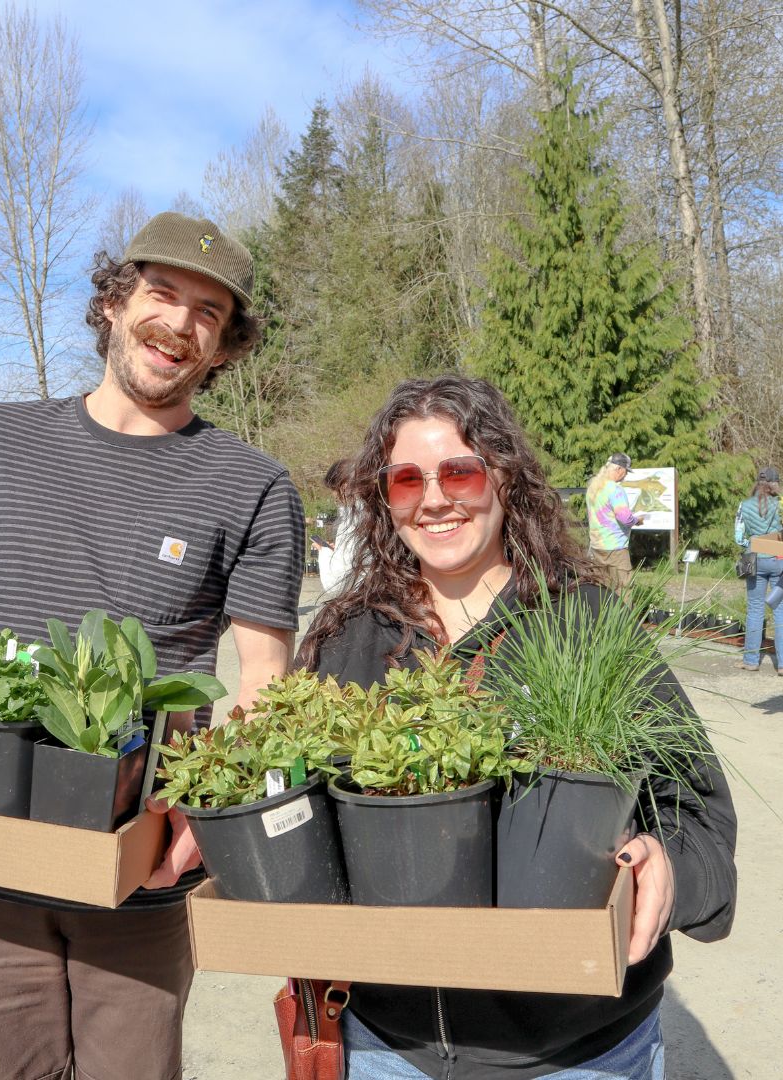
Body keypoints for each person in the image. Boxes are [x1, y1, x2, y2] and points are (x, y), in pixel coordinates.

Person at [0, 210, 305, 1080]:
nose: (178, 324)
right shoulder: (0, 440)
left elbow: (263, 677)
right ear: (113, 302)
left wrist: (209, 817)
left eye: (208, 314)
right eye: (161, 293)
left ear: (224, 349)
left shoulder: (252, 487)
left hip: (137, 867)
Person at [297, 375, 736, 1080]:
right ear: (384, 499)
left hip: (575, 1055)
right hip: (387, 1046)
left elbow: (702, 821)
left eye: (460, 471)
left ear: (504, 476)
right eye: (407, 480)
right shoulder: (349, 639)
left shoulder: (589, 624)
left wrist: (668, 869)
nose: (435, 498)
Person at [733, 465, 783, 674]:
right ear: (775, 483)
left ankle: (751, 660)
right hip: (778, 557)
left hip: (755, 559)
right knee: (780, 611)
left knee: (755, 609)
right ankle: (782, 664)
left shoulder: (744, 505)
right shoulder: (780, 504)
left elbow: (738, 538)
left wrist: (754, 545)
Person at [586, 452, 644, 590]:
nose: (626, 475)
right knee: (623, 590)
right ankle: (624, 613)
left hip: (596, 547)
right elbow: (624, 518)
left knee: (601, 589)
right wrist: (637, 520)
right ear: (619, 469)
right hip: (615, 549)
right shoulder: (615, 489)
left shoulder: (593, 487)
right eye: (626, 471)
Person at [313, 458, 362, 596]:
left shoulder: (354, 519)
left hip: (360, 599)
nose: (333, 496)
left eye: (333, 490)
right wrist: (337, 551)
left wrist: (324, 552)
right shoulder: (376, 512)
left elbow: (337, 582)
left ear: (344, 486)